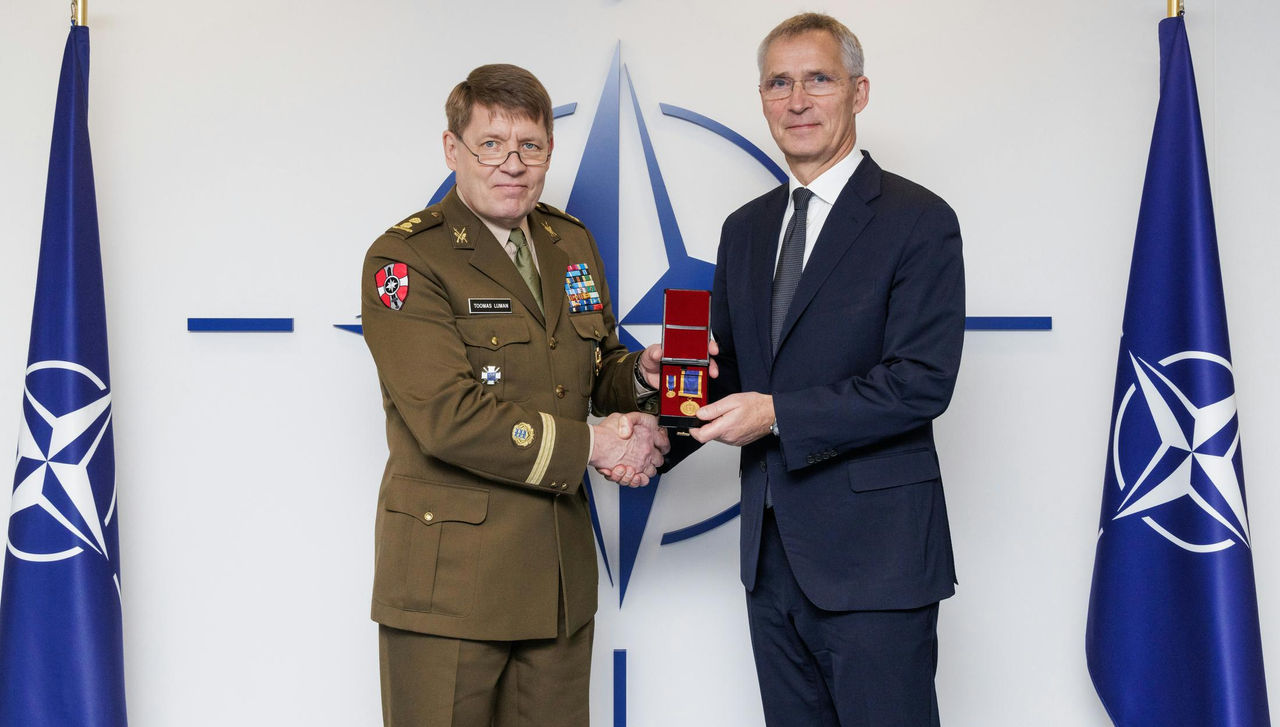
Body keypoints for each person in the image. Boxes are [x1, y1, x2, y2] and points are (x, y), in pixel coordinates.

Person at [360, 63, 668, 727]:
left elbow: (588, 372)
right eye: (491, 144)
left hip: (555, 578)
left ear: (549, 151)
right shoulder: (407, 261)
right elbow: (447, 417)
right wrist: (596, 443)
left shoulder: (570, 243)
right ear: (453, 150)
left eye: (530, 145)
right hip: (451, 587)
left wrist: (642, 371)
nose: (512, 164)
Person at [689, 13, 965, 726]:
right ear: (761, 97)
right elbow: (725, 379)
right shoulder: (744, 228)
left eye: (819, 79)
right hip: (771, 560)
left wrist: (776, 413)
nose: (797, 100)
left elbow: (920, 380)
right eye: (778, 83)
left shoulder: (918, 219)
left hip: (877, 562)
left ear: (858, 92)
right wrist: (663, 392)